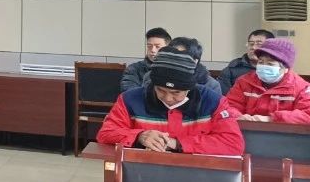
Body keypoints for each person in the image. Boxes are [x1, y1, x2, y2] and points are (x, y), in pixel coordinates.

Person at [96, 49, 243, 155]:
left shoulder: (213, 101)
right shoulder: (130, 99)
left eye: (176, 93)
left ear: (189, 88)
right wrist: (140, 136)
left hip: (197, 174)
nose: (168, 98)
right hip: (144, 171)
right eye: (160, 90)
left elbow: (233, 143)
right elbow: (106, 133)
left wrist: (177, 143)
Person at [225, 39, 310, 123]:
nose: (264, 66)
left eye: (270, 64)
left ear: (286, 68)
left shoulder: (302, 88)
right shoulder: (244, 81)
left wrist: (272, 119)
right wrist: (239, 117)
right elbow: (229, 106)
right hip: (245, 129)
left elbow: (307, 115)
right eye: (261, 62)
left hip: (283, 131)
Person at [218, 29, 275, 93]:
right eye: (251, 44)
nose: (253, 47)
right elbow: (225, 96)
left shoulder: (276, 69)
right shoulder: (232, 69)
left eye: (259, 44)